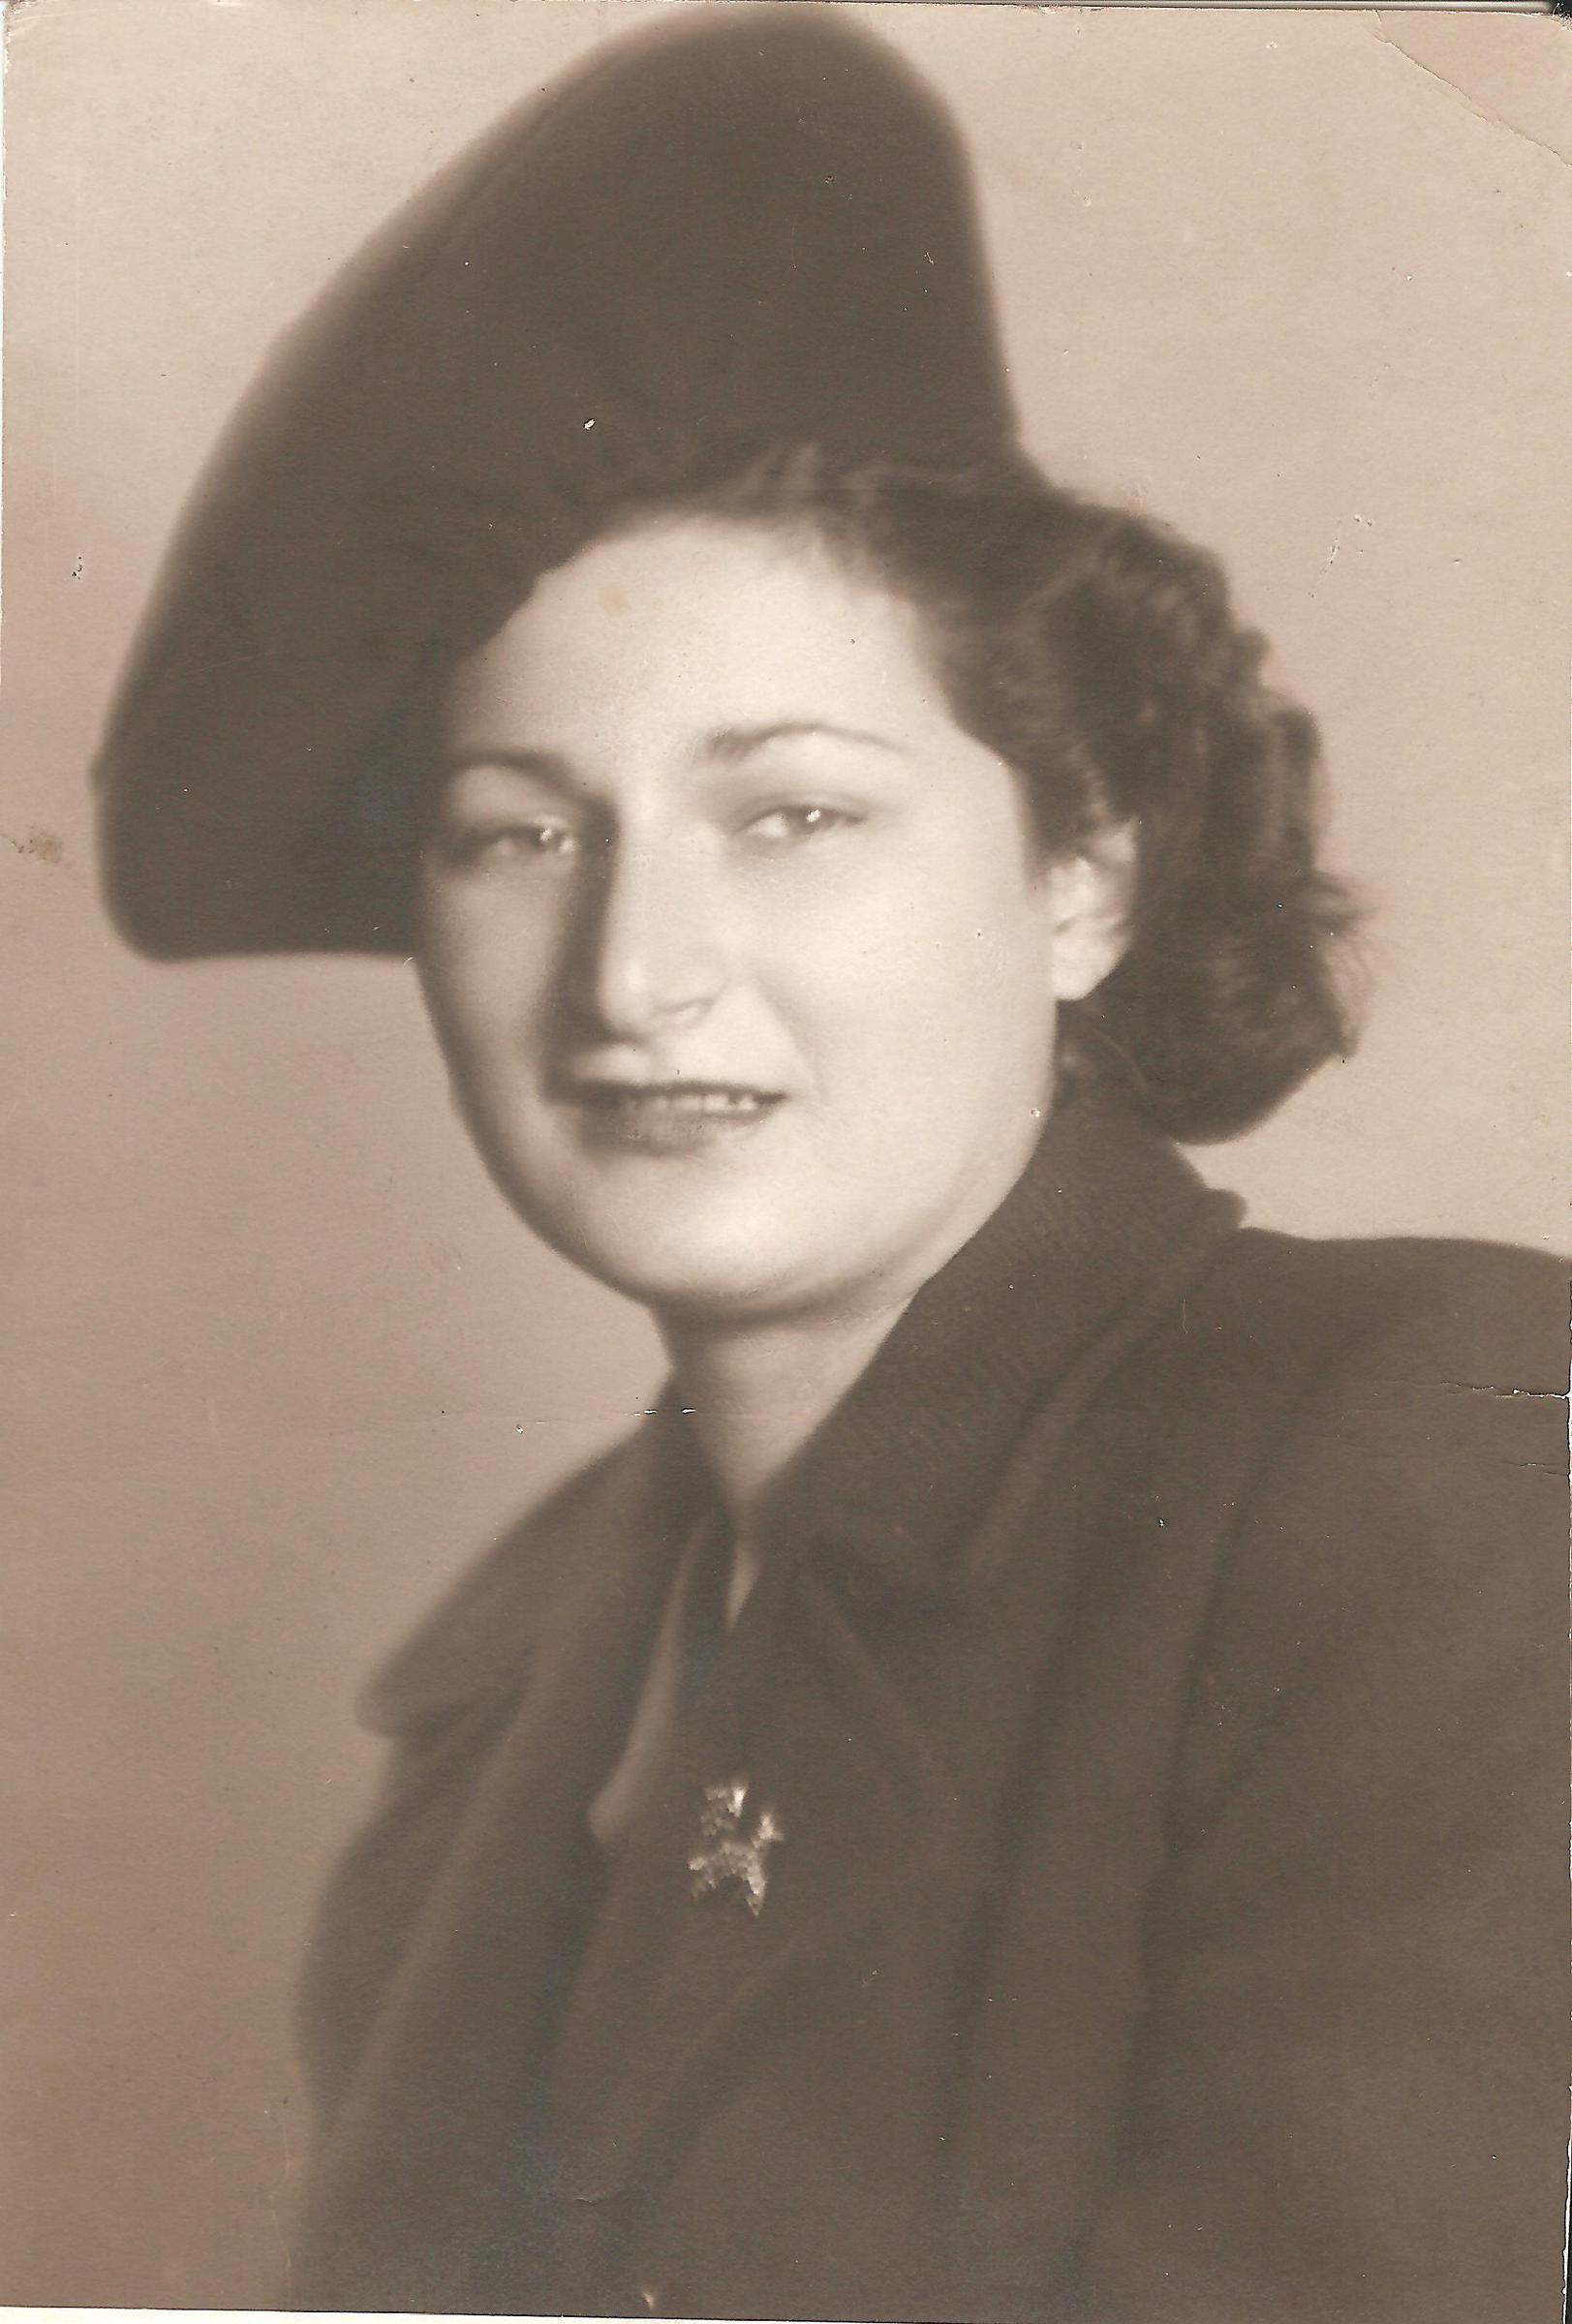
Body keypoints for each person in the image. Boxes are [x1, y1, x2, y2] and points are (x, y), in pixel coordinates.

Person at [93, 13, 1566, 2322]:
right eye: (516, 834)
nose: (633, 972)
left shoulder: (1437, 1463)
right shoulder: (511, 1692)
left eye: (789, 812)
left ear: (1078, 876)